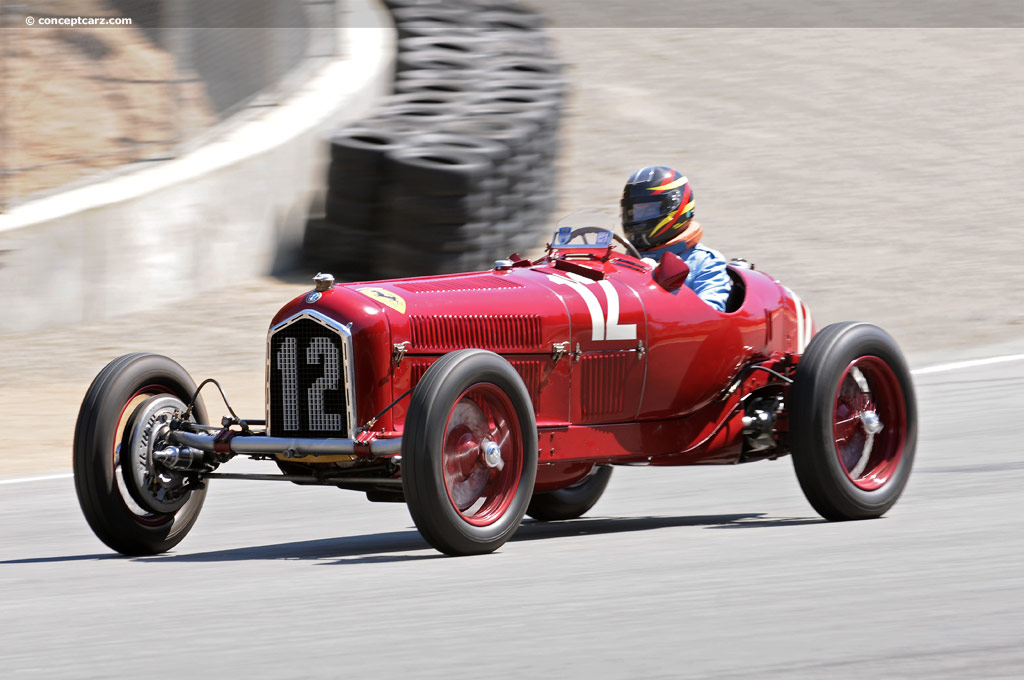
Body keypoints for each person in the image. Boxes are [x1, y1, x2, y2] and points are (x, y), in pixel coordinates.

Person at [620, 166, 732, 312]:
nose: (639, 217)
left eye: (648, 210)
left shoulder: (705, 261)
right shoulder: (622, 262)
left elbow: (711, 313)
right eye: (635, 212)